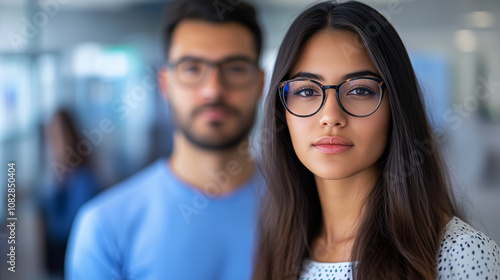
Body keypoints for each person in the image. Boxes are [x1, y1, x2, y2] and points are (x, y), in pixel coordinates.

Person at [253, 1, 500, 280]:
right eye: (307, 91)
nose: (330, 116)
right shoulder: (279, 245)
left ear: (395, 106)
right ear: (281, 109)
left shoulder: (460, 254)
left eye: (359, 90)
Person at [65, 0, 265, 279]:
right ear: (165, 83)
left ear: (260, 83)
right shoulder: (105, 227)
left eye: (235, 68)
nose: (213, 90)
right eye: (193, 68)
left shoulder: (311, 210)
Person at [40, 109, 100, 278]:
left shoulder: (83, 179)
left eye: (58, 137)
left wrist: (51, 193)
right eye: (50, 138)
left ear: (70, 136)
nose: (53, 145)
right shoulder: (62, 175)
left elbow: (64, 229)